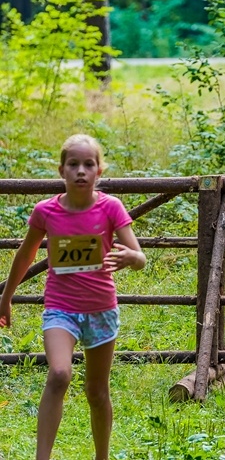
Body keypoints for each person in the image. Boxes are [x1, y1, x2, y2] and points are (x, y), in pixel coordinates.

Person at [0, 134, 146, 460]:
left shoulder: (111, 207)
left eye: (88, 164)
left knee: (97, 392)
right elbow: (24, 256)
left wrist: (131, 259)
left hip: (101, 310)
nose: (81, 170)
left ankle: (102, 456)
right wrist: (6, 296)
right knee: (59, 374)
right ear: (61, 170)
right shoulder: (46, 211)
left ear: (99, 172)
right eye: (73, 164)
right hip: (60, 309)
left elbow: (139, 256)